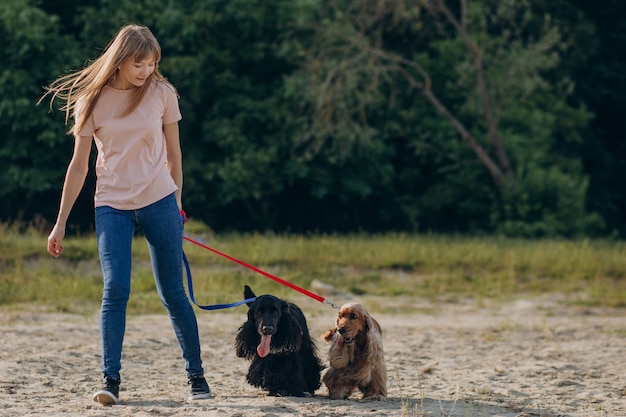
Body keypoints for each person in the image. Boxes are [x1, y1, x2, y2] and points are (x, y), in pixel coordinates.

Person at [41, 24, 211, 405]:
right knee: (115, 288)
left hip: (159, 201)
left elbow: (175, 156)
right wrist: (61, 221)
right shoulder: (92, 100)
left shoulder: (163, 94)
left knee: (173, 293)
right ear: (119, 61)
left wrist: (177, 202)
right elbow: (78, 167)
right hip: (112, 204)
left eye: (152, 63)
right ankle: (110, 380)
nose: (146, 71)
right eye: (139, 64)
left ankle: (196, 376)